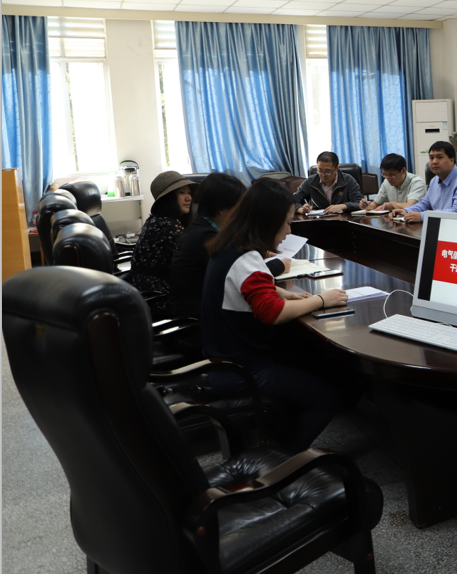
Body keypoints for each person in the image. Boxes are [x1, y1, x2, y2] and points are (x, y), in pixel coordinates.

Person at [202, 179, 349, 452]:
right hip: (244, 370)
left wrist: (279, 292)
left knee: (315, 362)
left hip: (226, 359)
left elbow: (238, 288)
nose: (288, 231)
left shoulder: (230, 245)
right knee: (329, 397)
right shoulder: (246, 258)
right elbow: (273, 313)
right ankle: (284, 457)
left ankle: (278, 435)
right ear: (268, 222)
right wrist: (321, 300)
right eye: (287, 223)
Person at [166, 173, 289, 318]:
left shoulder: (199, 228)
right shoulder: (206, 238)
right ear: (221, 208)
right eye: (239, 206)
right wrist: (278, 265)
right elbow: (238, 274)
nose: (242, 212)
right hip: (194, 318)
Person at [128, 170, 196, 319]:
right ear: (168, 198)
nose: (189, 198)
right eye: (182, 193)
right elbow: (190, 263)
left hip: (144, 293)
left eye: (189, 193)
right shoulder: (169, 226)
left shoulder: (155, 220)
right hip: (159, 297)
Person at [391, 141, 457, 224]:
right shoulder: (434, 180)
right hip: (441, 225)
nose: (434, 161)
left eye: (440, 157)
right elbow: (425, 204)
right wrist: (406, 211)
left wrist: (422, 216)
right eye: (431, 158)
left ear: (451, 160)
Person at [293, 151, 362, 214]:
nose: (323, 175)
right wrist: (300, 209)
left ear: (336, 169)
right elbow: (292, 201)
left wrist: (343, 206)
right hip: (318, 219)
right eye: (320, 171)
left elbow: (359, 203)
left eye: (327, 172)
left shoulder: (348, 180)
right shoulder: (311, 181)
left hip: (343, 219)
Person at [359, 153, 427, 212]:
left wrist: (392, 204)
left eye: (391, 175)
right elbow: (375, 204)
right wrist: (366, 206)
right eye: (385, 175)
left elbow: (410, 206)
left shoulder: (417, 182)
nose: (388, 178)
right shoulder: (386, 182)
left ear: (403, 171)